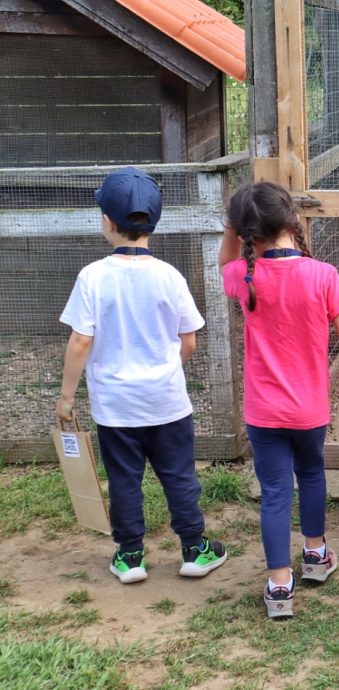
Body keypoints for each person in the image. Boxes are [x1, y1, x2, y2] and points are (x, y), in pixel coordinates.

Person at [219, 181, 339, 618]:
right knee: (312, 474)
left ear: (244, 231)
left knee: (275, 492)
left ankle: (278, 585)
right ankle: (315, 554)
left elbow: (225, 263)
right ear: (291, 219)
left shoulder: (241, 275)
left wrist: (232, 231)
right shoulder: (322, 275)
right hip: (308, 410)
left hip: (262, 411)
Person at [56, 167, 227, 585]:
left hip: (116, 408)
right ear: (155, 221)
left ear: (107, 222)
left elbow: (80, 340)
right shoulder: (169, 275)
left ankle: (130, 556)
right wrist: (167, 370)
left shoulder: (92, 276)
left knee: (124, 480)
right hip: (167, 401)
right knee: (179, 476)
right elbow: (188, 340)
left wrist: (66, 397)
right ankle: (194, 550)